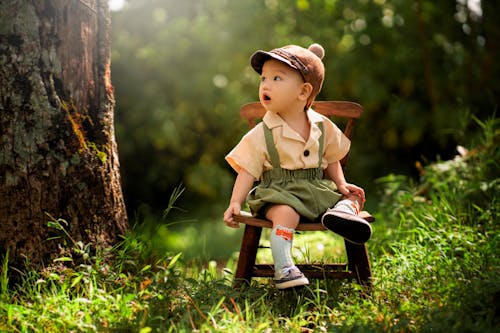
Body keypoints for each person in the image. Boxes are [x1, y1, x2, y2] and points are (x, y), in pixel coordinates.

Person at [223, 43, 372, 289]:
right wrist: (235, 202)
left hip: (316, 188)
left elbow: (332, 156)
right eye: (263, 79)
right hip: (279, 192)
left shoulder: (322, 125)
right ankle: (284, 267)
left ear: (303, 92)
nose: (265, 85)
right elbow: (248, 169)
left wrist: (342, 184)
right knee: (285, 214)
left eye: (276, 78)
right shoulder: (263, 131)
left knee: (355, 196)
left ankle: (342, 213)